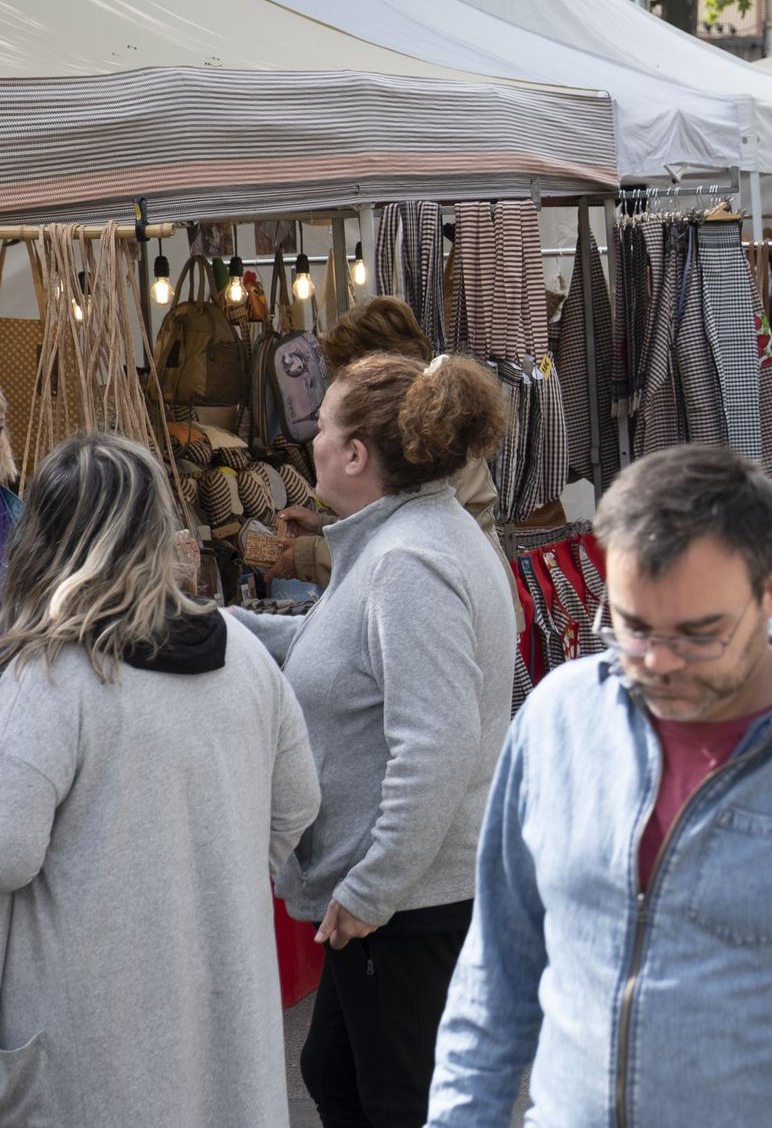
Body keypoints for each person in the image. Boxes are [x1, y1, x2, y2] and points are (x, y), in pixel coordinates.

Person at [428, 446, 772, 1125]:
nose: (659, 664)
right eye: (633, 628)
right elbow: (493, 979)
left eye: (699, 634)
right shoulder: (556, 720)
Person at [0, 434, 319, 1127]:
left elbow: (7, 847)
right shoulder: (241, 651)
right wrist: (219, 876)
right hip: (226, 1013)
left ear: (44, 539)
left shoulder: (49, 677)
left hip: (92, 1038)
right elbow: (299, 800)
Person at [233, 353, 517, 1127]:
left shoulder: (408, 563)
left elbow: (438, 744)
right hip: (399, 900)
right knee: (335, 1072)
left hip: (406, 906)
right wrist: (216, 625)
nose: (311, 438)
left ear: (356, 455)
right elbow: (329, 652)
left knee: (398, 1101)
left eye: (322, 424)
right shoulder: (405, 539)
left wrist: (371, 889)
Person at [275, 296, 507, 595]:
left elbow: (405, 543)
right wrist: (323, 525)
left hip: (465, 594)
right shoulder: (425, 424)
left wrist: (311, 554)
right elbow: (396, 521)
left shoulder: (427, 435)